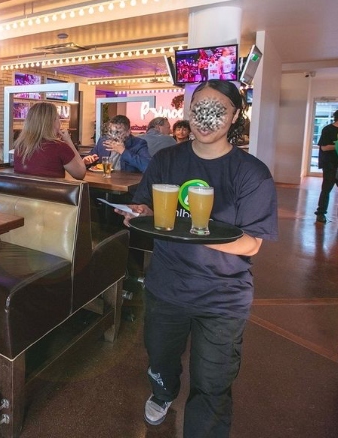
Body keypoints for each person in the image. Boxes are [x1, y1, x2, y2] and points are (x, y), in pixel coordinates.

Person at [118, 80, 278, 437]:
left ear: (235, 115)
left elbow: (252, 244)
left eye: (218, 109)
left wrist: (199, 233)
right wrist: (138, 211)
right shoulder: (166, 160)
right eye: (200, 107)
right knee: (160, 358)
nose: (207, 116)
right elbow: (146, 207)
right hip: (166, 285)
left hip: (222, 296)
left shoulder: (251, 173)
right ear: (189, 112)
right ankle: (163, 393)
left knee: (213, 382)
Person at [13, 102, 86, 179]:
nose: (60, 122)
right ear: (52, 122)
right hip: (51, 191)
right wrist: (69, 141)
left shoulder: (20, 146)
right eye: (58, 118)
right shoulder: (59, 147)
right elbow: (80, 173)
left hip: (23, 191)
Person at [83, 115, 150, 173]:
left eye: (118, 132)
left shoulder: (138, 144)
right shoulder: (103, 141)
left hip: (126, 184)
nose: (113, 136)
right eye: (111, 132)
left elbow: (147, 166)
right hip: (104, 181)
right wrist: (87, 161)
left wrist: (123, 151)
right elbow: (91, 158)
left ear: (128, 132)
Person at [315, 109, 338, 223]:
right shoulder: (328, 130)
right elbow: (324, 147)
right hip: (330, 165)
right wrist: (336, 146)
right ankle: (321, 213)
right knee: (326, 189)